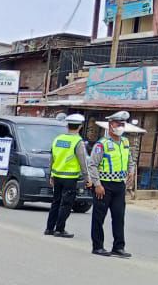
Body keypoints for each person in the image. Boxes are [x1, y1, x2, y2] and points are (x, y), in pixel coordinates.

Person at [88, 110, 135, 257]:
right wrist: (97, 184)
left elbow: (130, 160)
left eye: (122, 124)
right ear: (110, 125)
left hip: (119, 185)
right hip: (104, 185)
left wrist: (131, 171)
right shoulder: (102, 144)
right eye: (117, 124)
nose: (120, 126)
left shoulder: (125, 142)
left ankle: (118, 247)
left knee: (119, 217)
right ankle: (98, 246)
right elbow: (92, 165)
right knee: (99, 217)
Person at [45, 113, 89, 238]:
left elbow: (52, 159)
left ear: (67, 126)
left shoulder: (58, 139)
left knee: (56, 202)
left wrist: (51, 175)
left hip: (57, 176)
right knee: (66, 204)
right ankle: (60, 229)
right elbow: (83, 162)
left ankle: (49, 228)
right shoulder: (78, 141)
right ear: (80, 127)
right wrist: (87, 179)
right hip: (70, 178)